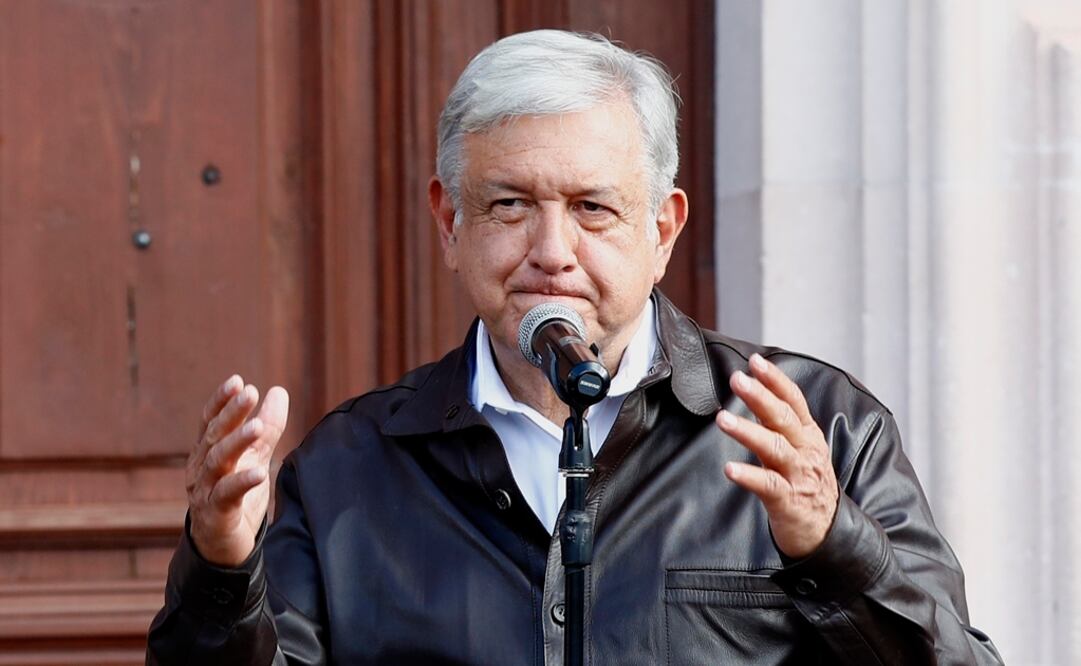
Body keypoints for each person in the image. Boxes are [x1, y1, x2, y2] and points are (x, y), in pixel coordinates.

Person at [147, 30, 1002, 664]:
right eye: (509, 205)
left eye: (593, 208)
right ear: (449, 222)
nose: (551, 251)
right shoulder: (349, 468)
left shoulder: (817, 430)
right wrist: (222, 570)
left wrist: (831, 545)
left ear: (661, 228)